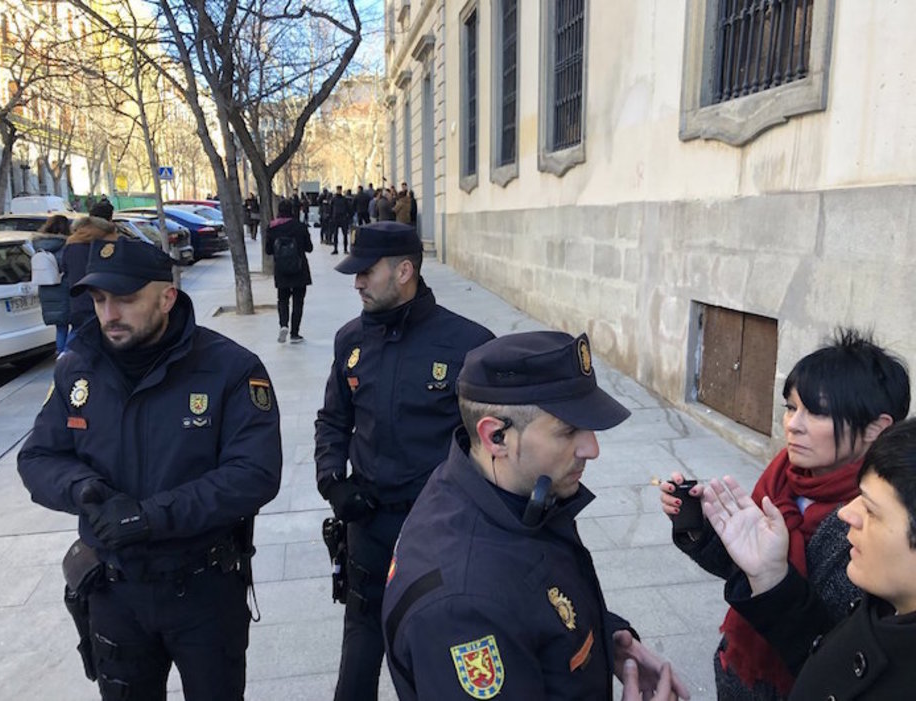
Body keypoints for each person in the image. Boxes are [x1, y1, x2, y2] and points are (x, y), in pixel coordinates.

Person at [17, 238, 282, 701]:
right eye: (99, 300)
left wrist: (152, 516)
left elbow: (254, 473)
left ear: (166, 297)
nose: (109, 314)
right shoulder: (77, 369)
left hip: (203, 590)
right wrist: (85, 490)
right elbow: (38, 457)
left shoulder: (231, 369)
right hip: (114, 591)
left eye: (125, 298)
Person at [382, 331, 690, 701]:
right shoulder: (465, 610)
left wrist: (608, 638)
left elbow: (533, 599)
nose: (592, 448)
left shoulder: (499, 490)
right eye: (568, 430)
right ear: (497, 437)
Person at [659, 328, 910, 700]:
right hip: (739, 668)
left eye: (817, 412)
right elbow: (744, 571)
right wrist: (698, 527)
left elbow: (845, 643)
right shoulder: (783, 479)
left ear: (877, 428)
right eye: (791, 407)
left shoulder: (877, 524)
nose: (793, 424)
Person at [314, 221, 495, 701]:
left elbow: (496, 444)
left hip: (441, 532)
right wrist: (333, 481)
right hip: (368, 528)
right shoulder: (349, 341)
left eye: (366, 273)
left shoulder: (469, 345)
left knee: (440, 662)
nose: (356, 283)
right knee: (357, 665)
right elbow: (332, 420)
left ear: (404, 271)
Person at [702, 417, 916, 699]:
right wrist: (770, 577)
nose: (846, 513)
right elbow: (827, 661)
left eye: (872, 510)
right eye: (790, 406)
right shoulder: (883, 603)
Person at [264, 197, 313, 343]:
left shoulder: (272, 228)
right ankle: (295, 333)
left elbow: (268, 250)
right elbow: (309, 248)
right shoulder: (300, 226)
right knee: (298, 301)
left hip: (281, 269)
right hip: (299, 268)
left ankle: (283, 325)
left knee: (282, 299)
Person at [62, 215, 119, 334]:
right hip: (98, 299)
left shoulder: (70, 246)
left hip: (77, 299)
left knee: (79, 337)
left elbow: (66, 270)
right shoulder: (102, 245)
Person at [32, 214, 72, 353]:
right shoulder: (65, 246)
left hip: (47, 290)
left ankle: (61, 354)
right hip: (65, 289)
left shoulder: (38, 246)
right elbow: (68, 267)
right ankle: (66, 355)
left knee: (61, 328)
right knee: (78, 325)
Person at [330, 185, 352, 255]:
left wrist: (348, 216)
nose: (339, 191)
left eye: (340, 190)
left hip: (343, 218)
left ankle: (345, 249)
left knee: (345, 234)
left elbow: (348, 208)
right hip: (336, 218)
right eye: (338, 190)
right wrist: (331, 217)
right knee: (335, 234)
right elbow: (330, 209)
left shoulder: (344, 199)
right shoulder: (333, 199)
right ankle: (335, 249)